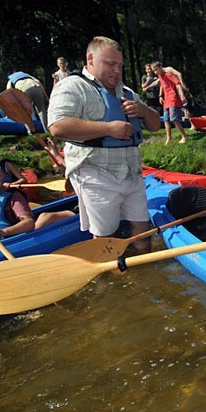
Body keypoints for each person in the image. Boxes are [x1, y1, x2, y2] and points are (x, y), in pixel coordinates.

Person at [47, 36, 160, 253]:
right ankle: (110, 279)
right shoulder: (72, 86)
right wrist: (108, 129)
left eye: (119, 66)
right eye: (110, 64)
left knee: (142, 228)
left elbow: (155, 125)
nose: (117, 71)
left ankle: (142, 272)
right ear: (91, 59)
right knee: (104, 235)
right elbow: (58, 127)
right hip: (95, 173)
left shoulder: (126, 92)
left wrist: (144, 110)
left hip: (131, 173)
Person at [151, 61, 188, 145]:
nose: (155, 72)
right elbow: (161, 85)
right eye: (154, 71)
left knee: (174, 119)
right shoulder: (160, 76)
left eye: (156, 69)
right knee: (166, 120)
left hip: (173, 99)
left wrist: (181, 95)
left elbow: (178, 84)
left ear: (161, 67)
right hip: (166, 100)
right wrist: (160, 96)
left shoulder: (168, 74)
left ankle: (184, 136)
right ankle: (169, 138)